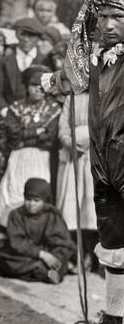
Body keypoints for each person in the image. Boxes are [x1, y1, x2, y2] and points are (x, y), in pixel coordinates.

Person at [43, 0, 124, 324]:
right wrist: (51, 80)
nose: (107, 25)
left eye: (117, 17)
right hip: (103, 162)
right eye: (103, 17)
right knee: (112, 243)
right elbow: (71, 81)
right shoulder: (95, 59)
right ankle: (113, 321)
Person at [0, 65, 61, 227]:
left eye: (41, 87)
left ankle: (37, 232)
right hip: (18, 156)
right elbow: (14, 135)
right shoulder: (17, 107)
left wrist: (28, 135)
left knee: (38, 191)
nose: (37, 90)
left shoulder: (53, 109)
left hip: (41, 157)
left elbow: (49, 138)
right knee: (13, 190)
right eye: (33, 86)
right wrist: (37, 132)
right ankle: (9, 230)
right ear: (26, 86)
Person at [0, 178, 74, 283]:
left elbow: (62, 242)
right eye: (28, 199)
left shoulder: (52, 215)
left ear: (44, 200)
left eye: (36, 200)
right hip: (25, 254)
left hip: (49, 254)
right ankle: (43, 271)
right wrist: (41, 254)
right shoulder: (16, 215)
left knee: (60, 259)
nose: (31, 204)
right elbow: (17, 242)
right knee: (7, 260)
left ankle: (42, 271)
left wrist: (53, 256)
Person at [56, 93, 98, 272]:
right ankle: (75, 255)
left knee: (90, 208)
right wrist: (68, 141)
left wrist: (87, 141)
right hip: (73, 153)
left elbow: (103, 122)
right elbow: (63, 124)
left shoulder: (101, 94)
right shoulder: (70, 98)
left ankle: (92, 255)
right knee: (71, 205)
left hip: (93, 152)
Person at [0, 17, 46, 119]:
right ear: (16, 35)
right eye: (23, 34)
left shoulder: (45, 61)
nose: (26, 39)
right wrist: (6, 113)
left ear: (38, 38)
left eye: (31, 36)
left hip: (38, 117)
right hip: (9, 115)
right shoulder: (5, 61)